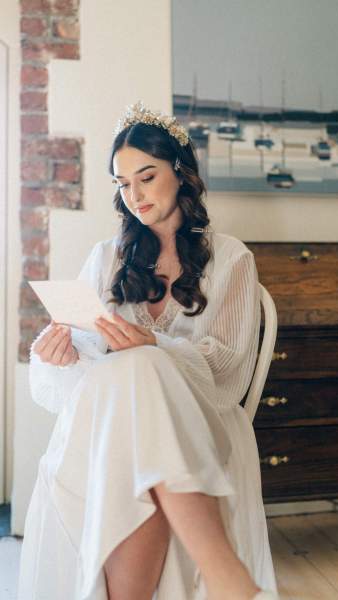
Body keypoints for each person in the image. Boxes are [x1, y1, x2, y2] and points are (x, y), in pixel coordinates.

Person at [17, 100, 279, 600]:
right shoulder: (105, 258)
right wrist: (61, 355)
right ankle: (223, 571)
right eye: (122, 183)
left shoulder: (231, 258)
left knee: (143, 363)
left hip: (195, 420)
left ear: (181, 173)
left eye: (146, 176)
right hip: (109, 421)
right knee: (133, 372)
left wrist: (153, 344)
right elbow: (73, 381)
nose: (134, 195)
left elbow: (229, 373)